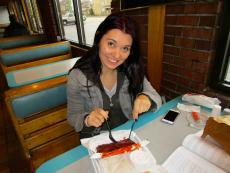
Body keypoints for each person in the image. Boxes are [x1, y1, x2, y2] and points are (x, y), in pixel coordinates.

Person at [67, 12, 162, 139]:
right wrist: (88, 119)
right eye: (111, 44)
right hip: (95, 140)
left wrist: (146, 98)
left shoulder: (131, 69)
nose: (117, 56)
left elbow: (156, 97)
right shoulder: (77, 76)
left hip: (128, 135)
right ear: (99, 38)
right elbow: (73, 116)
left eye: (125, 48)